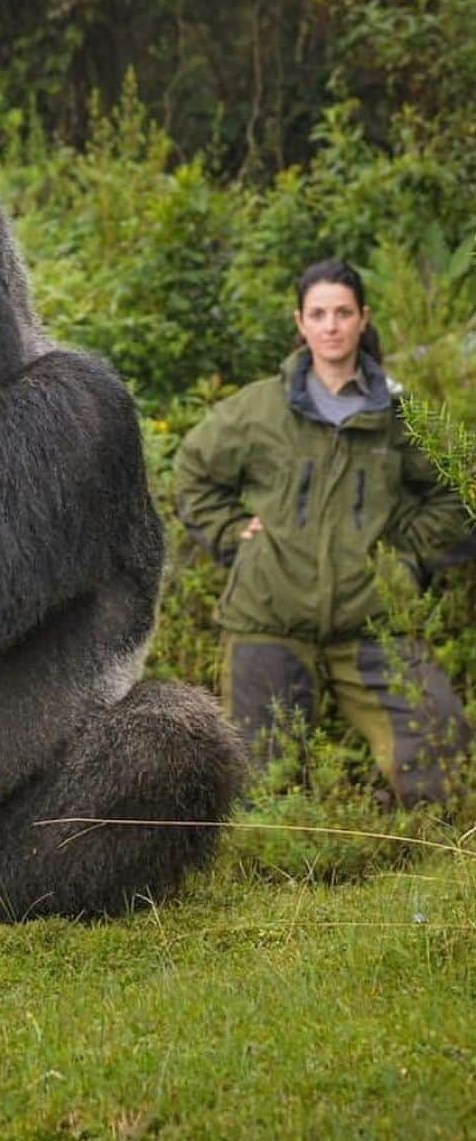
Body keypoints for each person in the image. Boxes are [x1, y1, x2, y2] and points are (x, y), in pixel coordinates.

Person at [173, 258, 470, 807]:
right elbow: (193, 472)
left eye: (342, 312)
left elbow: (457, 488)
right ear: (300, 323)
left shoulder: (399, 415)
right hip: (270, 614)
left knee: (443, 764)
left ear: (363, 319)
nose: (331, 325)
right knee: (260, 788)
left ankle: (415, 841)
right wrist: (234, 532)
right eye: (318, 314)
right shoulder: (258, 409)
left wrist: (405, 559)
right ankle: (279, 872)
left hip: (373, 617)